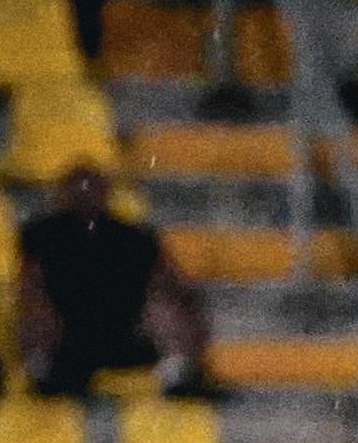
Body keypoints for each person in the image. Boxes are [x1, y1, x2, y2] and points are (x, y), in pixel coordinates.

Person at [17, 168, 212, 400]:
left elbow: (174, 286)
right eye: (77, 191)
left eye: (91, 190)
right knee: (35, 301)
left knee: (163, 303)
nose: (85, 197)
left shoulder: (134, 238)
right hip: (68, 337)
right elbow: (31, 287)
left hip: (124, 330)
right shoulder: (41, 236)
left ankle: (178, 373)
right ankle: (41, 371)